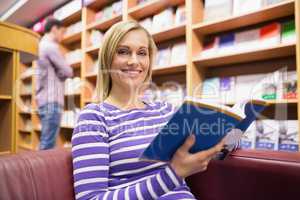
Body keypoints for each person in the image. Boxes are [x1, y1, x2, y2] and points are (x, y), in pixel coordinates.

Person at [71, 21, 224, 200]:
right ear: (107, 59)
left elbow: (211, 146)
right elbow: (89, 198)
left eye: (142, 53)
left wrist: (229, 134)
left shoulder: (165, 110)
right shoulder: (94, 118)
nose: (134, 61)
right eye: (123, 51)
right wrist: (172, 175)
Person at [36, 18, 73, 150]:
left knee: (45, 140)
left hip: (43, 99)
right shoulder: (50, 47)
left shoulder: (40, 45)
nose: (62, 36)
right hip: (52, 100)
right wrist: (63, 72)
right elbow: (68, 71)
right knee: (47, 144)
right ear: (54, 29)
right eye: (61, 32)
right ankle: (39, 170)